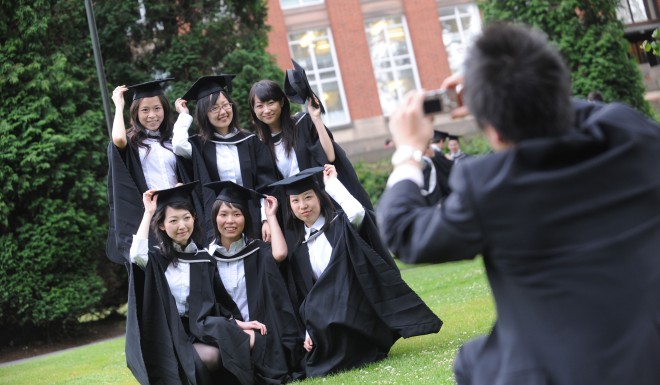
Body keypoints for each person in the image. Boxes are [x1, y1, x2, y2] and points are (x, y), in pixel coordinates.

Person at [377, 22, 660, 385]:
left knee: (473, 363)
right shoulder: (630, 134)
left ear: (491, 129)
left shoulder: (491, 185)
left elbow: (403, 231)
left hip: (563, 372)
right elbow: (581, 112)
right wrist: (515, 89)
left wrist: (407, 150)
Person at [270, 165, 442, 378]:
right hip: (324, 317)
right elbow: (308, 296)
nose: (303, 206)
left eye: (308, 197)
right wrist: (308, 330)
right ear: (290, 207)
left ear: (320, 198)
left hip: (355, 307)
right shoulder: (298, 247)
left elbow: (358, 213)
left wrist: (333, 184)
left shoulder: (341, 225)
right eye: (295, 201)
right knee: (313, 361)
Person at [126, 181, 259, 385]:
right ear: (161, 225)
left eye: (186, 218)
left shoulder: (203, 258)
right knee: (201, 361)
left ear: (194, 218)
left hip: (198, 328)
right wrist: (148, 212)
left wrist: (239, 324)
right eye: (173, 220)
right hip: (167, 333)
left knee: (240, 342)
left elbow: (217, 302)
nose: (182, 226)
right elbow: (136, 255)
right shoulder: (157, 260)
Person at [203, 181, 306, 383]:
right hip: (232, 332)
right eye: (223, 214)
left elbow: (280, 253)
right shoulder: (206, 258)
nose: (230, 221)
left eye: (237, 214)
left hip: (262, 333)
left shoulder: (256, 250)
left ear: (246, 218)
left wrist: (270, 217)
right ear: (214, 218)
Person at [248, 61, 373, 211]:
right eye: (260, 106)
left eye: (270, 103)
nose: (266, 110)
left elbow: (330, 156)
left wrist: (316, 118)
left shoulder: (303, 123)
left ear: (281, 102)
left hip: (324, 202)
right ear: (254, 110)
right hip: (298, 211)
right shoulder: (260, 144)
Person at [172, 75, 278, 244]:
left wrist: (267, 220)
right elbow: (178, 145)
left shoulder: (249, 141)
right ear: (204, 113)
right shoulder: (199, 146)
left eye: (225, 105)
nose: (223, 112)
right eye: (214, 108)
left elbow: (266, 183)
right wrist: (184, 115)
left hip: (253, 218)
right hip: (218, 224)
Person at [106, 78, 197, 264]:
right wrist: (118, 105)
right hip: (152, 214)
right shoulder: (133, 143)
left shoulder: (172, 140)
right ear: (136, 113)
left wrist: (184, 115)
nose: (152, 115)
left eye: (157, 108)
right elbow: (118, 140)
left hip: (176, 213)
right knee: (158, 265)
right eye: (145, 110)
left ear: (164, 109)